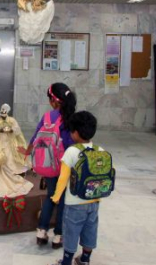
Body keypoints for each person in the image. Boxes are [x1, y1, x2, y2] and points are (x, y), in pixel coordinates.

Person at [18, 83, 77, 248]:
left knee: (51, 196)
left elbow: (36, 137)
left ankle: (41, 232)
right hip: (66, 166)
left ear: (53, 101)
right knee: (63, 200)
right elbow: (73, 143)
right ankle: (59, 236)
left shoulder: (47, 117)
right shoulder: (71, 118)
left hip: (49, 165)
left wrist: (27, 151)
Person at [51, 111, 101, 265]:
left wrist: (56, 197)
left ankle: (66, 261)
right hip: (94, 201)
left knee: (71, 231)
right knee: (90, 230)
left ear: (76, 133)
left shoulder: (71, 152)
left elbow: (63, 178)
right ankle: (85, 259)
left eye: (71, 130)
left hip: (74, 203)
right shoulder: (100, 150)